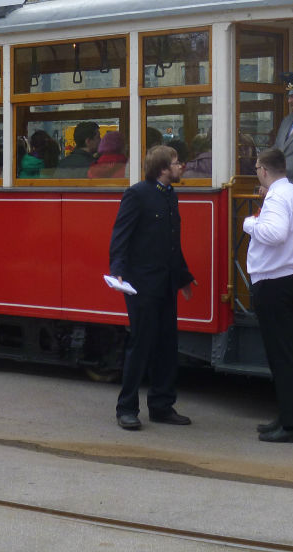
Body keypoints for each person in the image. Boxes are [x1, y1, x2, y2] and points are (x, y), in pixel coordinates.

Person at [107, 145, 195, 431]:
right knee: (141, 344)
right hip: (142, 284)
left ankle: (161, 405)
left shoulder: (170, 195)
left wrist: (183, 277)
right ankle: (126, 408)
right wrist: (118, 272)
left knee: (167, 345)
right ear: (163, 169)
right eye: (176, 162)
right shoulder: (137, 194)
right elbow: (121, 236)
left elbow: (172, 243)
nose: (181, 166)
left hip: (166, 282)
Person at [243, 147, 293, 443]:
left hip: (276, 281)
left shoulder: (276, 197)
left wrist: (250, 224)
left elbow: (275, 233)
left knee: (281, 354)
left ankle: (291, 425)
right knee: (290, 352)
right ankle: (288, 416)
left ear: (262, 169)